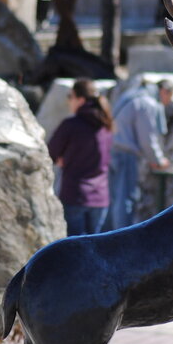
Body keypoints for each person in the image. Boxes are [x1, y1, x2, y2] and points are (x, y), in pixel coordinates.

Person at [47, 78, 115, 236]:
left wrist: (63, 159)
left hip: (75, 195)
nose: (69, 101)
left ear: (81, 99)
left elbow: (50, 153)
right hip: (100, 197)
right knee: (94, 249)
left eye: (70, 96)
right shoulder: (106, 125)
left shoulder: (71, 125)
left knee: (74, 250)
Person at [108, 78, 173, 230]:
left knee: (115, 199)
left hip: (114, 150)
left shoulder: (133, 94)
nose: (168, 102)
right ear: (164, 91)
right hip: (127, 154)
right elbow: (147, 138)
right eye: (169, 97)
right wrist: (158, 160)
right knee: (126, 200)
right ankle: (122, 239)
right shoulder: (147, 103)